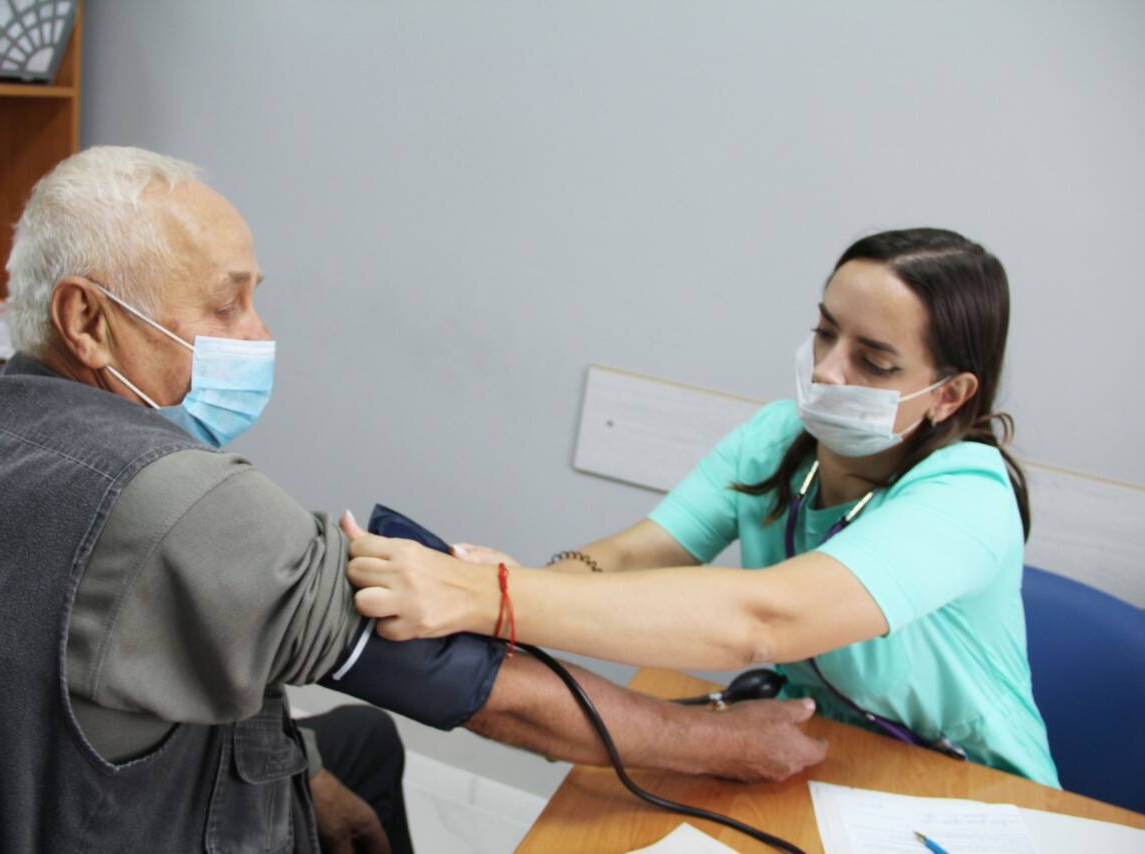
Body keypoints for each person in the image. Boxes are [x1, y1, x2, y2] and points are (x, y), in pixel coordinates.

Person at [0, 146, 827, 854]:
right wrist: (717, 741)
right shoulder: (178, 502)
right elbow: (487, 695)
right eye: (226, 304)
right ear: (87, 319)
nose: (258, 333)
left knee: (355, 742)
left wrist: (305, 777)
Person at [345, 228, 1061, 787]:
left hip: (975, 789)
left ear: (949, 395)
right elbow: (638, 552)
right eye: (825, 331)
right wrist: (524, 583)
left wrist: (493, 598)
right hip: (821, 749)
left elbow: (764, 620)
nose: (825, 369)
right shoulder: (778, 438)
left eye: (872, 361)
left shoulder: (968, 495)